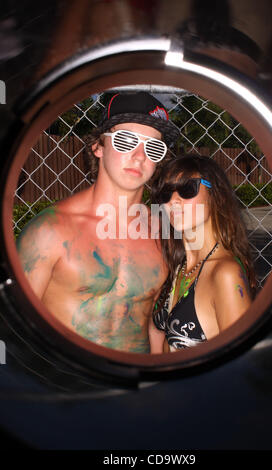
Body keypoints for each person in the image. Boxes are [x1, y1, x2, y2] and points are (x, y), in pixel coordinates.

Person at [16, 91, 179, 353]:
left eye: (153, 147)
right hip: (65, 382)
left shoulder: (163, 232)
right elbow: (16, 333)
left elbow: (154, 324)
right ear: (98, 147)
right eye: (126, 140)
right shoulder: (50, 230)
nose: (140, 155)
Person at [149, 153, 256, 353]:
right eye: (165, 193)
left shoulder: (225, 274)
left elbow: (242, 368)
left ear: (216, 195)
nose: (173, 200)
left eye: (188, 188)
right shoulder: (177, 267)